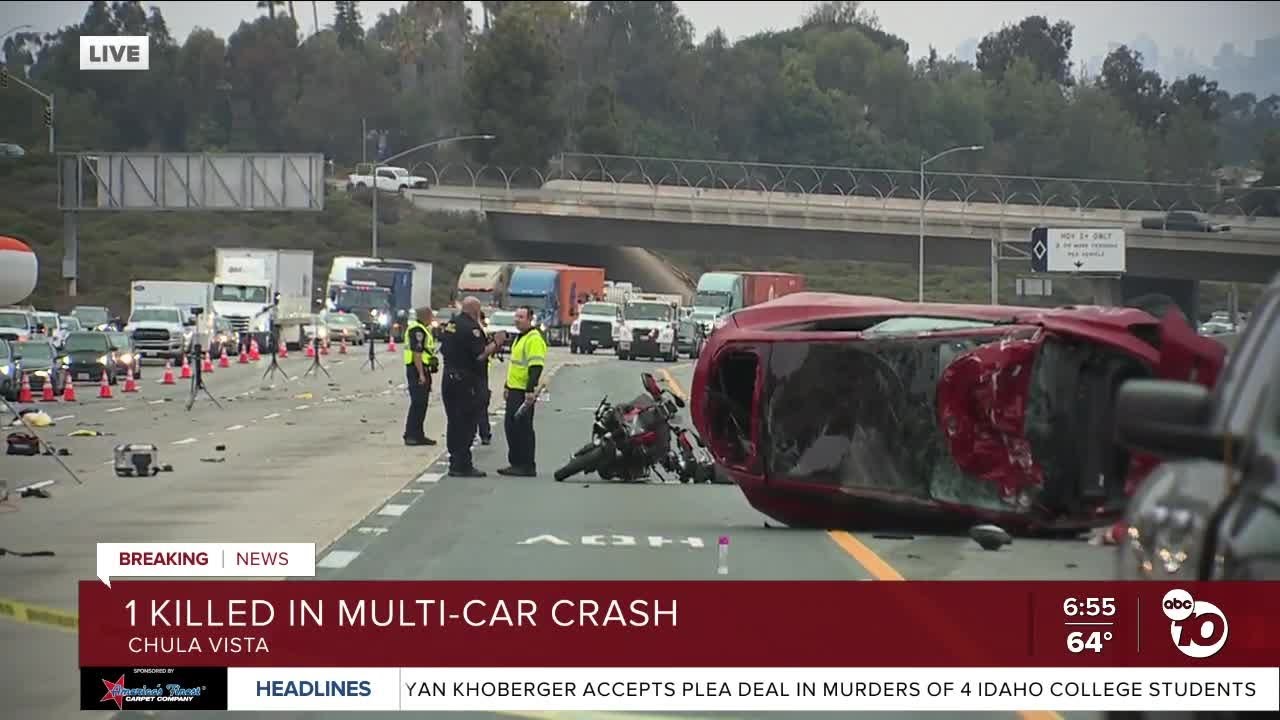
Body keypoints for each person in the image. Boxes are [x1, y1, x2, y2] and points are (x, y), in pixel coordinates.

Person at [439, 297, 505, 477]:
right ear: (476, 310)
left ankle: (455, 461)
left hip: (449, 378)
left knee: (453, 422)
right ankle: (462, 464)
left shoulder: (452, 324)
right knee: (466, 423)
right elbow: (480, 355)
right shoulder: (472, 328)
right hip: (467, 382)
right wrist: (497, 342)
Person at [499, 306, 548, 477]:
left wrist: (529, 390)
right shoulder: (520, 338)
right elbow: (515, 365)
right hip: (514, 388)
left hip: (523, 391)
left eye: (521, 316)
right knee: (511, 427)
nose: (517, 319)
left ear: (530, 319)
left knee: (523, 428)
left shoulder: (533, 338)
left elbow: (536, 366)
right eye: (516, 316)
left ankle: (526, 465)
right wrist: (507, 385)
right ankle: (516, 462)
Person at [402, 307, 438, 446]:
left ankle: (419, 434)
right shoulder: (418, 330)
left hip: (422, 368)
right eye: (431, 316)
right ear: (426, 316)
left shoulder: (422, 329)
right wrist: (421, 374)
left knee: (422, 404)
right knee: (417, 404)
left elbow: (425, 351)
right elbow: (417, 353)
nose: (432, 319)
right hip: (417, 369)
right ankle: (410, 435)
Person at [476, 311, 493, 446]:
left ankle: (484, 433)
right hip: (477, 375)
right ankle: (484, 433)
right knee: (480, 405)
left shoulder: (482, 332)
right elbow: (481, 354)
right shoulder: (475, 332)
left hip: (481, 375)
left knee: (481, 406)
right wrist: (495, 344)